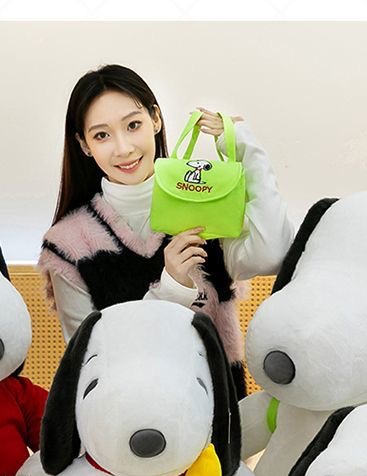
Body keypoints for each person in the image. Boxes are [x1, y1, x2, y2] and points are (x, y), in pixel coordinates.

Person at [38, 64, 294, 397]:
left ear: (155, 119)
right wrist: (171, 288)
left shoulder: (203, 201)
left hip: (220, 420)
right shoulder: (70, 244)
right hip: (126, 421)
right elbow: (88, 358)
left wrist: (247, 149)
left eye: (133, 125)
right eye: (102, 135)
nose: (123, 148)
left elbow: (271, 254)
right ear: (84, 144)